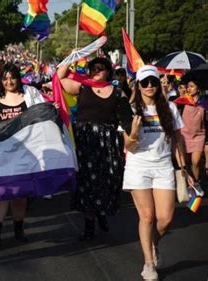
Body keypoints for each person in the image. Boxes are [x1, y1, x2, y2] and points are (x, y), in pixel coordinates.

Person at [122, 65, 194, 281]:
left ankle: (152, 244)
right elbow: (128, 146)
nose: (150, 86)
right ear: (138, 85)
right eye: (145, 82)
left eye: (153, 81)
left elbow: (177, 141)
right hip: (138, 167)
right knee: (147, 216)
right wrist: (133, 132)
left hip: (163, 166)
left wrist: (184, 168)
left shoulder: (170, 108)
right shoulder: (130, 108)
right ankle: (149, 263)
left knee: (165, 219)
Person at [57, 57, 133, 241]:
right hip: (85, 142)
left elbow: (127, 122)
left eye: (101, 69)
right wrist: (73, 57)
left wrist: (130, 144)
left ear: (108, 71)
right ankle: (89, 225)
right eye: (93, 69)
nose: (97, 72)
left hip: (108, 143)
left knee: (108, 181)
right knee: (86, 184)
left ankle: (102, 213)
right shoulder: (82, 87)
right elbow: (59, 76)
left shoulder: (118, 93)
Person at [0, 63, 45, 247]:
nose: (9, 82)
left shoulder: (30, 94)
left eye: (12, 77)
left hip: (26, 152)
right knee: (0, 191)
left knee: (18, 194)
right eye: (5, 78)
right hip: (0, 151)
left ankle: (18, 228)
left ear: (18, 78)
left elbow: (42, 114)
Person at [180, 79, 206, 181]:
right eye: (188, 86)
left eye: (192, 86)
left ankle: (196, 183)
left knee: (196, 161)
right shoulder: (183, 100)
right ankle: (188, 183)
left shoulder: (204, 101)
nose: (189, 89)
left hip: (199, 135)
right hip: (184, 134)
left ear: (198, 88)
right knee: (186, 162)